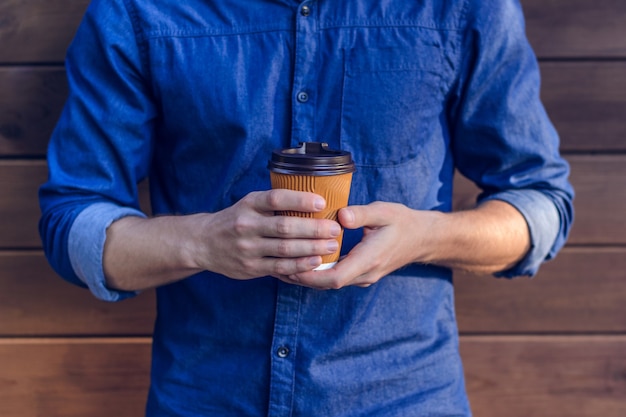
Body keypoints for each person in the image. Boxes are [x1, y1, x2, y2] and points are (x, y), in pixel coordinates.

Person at [39, 0, 574, 415]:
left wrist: (424, 236)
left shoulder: (461, 8)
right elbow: (72, 222)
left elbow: (540, 205)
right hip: (205, 399)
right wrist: (202, 242)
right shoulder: (138, 12)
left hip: (403, 399)